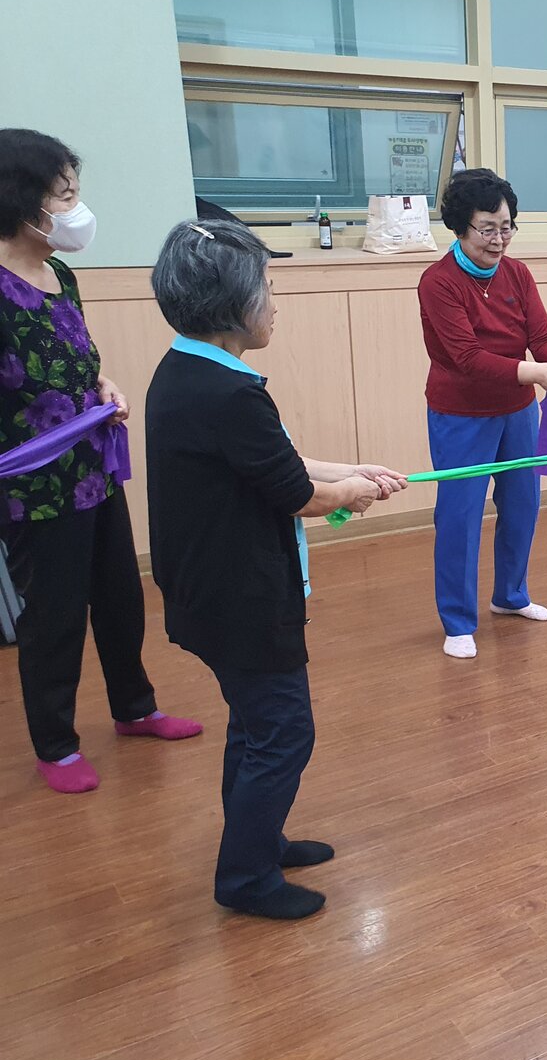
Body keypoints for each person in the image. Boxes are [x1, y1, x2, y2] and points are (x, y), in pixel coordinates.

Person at [145, 219, 406, 920]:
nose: (275, 303)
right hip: (240, 598)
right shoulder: (227, 393)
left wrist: (353, 470)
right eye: (266, 287)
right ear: (231, 304)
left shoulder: (190, 370)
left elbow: (275, 462)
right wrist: (350, 492)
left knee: (256, 723)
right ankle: (246, 879)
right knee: (284, 730)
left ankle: (258, 842)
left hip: (211, 591)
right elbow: (298, 493)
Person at [0, 128, 202, 794]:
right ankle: (55, 745)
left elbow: (76, 358)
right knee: (53, 615)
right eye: (63, 196)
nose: (76, 209)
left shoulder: (60, 274)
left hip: (92, 468)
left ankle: (135, 709)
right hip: (34, 486)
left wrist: (102, 385)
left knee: (120, 596)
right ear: (21, 201)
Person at [420, 169, 547, 660]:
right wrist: (537, 373)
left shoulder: (517, 273)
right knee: (460, 516)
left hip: (517, 411)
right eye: (487, 229)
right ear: (460, 227)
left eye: (507, 227)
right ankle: (457, 621)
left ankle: (510, 596)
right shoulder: (438, 282)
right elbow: (468, 358)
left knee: (522, 504)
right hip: (461, 415)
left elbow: (542, 334)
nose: (499, 239)